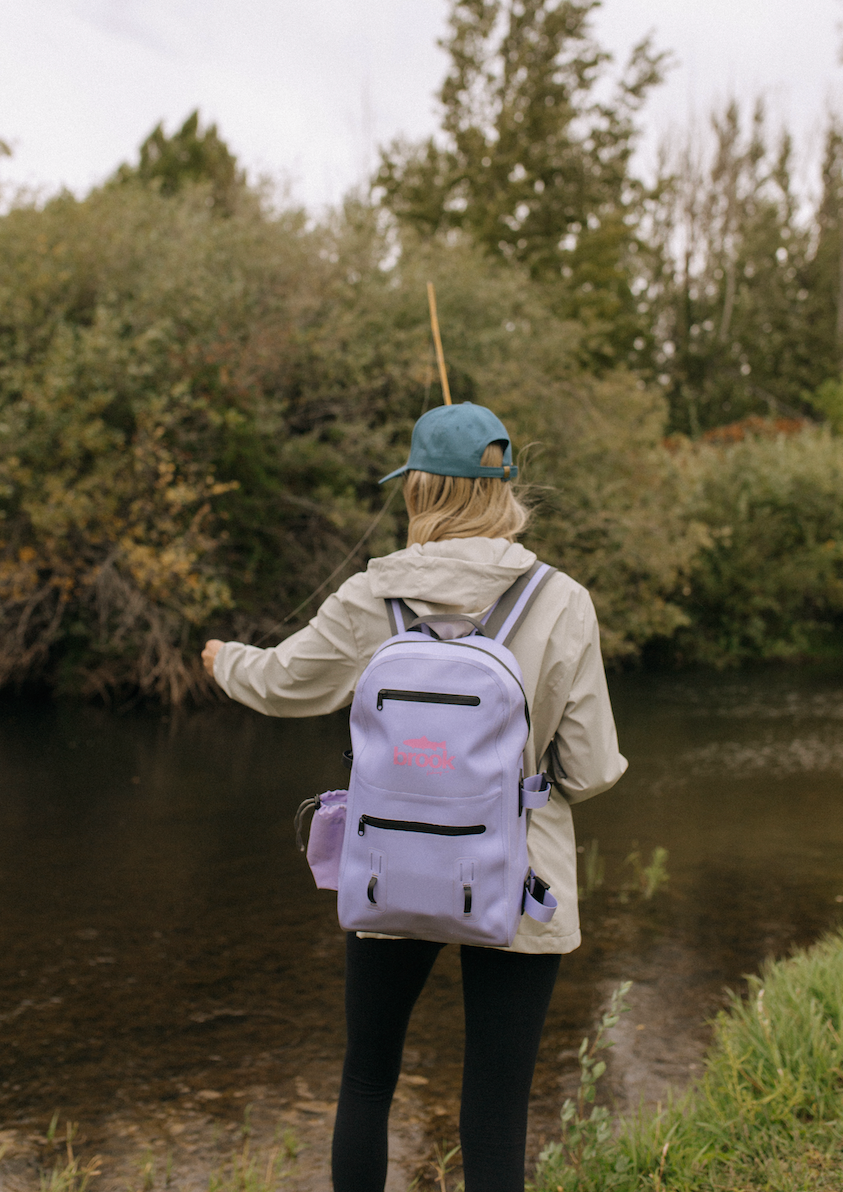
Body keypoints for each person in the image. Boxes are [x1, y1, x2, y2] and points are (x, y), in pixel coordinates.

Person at [201, 401, 627, 1192]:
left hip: (390, 863)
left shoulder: (375, 594)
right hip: (520, 878)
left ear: (419, 490)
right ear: (504, 488)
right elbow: (594, 768)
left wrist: (226, 660)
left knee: (367, 1081)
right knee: (496, 1109)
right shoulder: (561, 599)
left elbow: (288, 683)